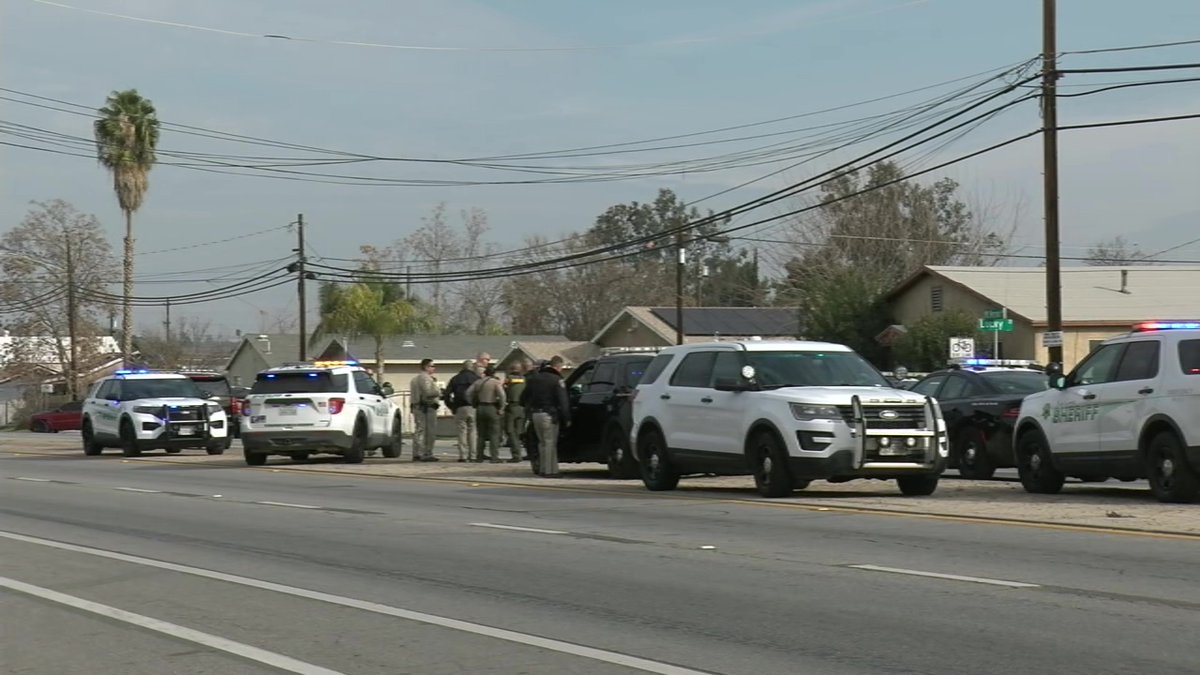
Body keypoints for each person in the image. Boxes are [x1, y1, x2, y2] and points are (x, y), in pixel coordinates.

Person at [520, 355, 569, 477]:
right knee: (550, 443)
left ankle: (543, 469)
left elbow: (523, 398)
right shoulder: (556, 380)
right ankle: (550, 471)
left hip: (535, 414)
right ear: (558, 366)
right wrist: (567, 418)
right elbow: (563, 401)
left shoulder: (534, 379)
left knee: (541, 443)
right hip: (549, 415)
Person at [467, 365, 507, 463]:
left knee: (481, 434)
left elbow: (468, 393)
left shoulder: (478, 382)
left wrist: (472, 403)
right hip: (491, 407)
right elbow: (502, 396)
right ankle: (494, 457)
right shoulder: (495, 382)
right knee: (494, 433)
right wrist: (502, 408)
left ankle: (479, 456)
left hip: (480, 408)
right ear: (494, 373)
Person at [444, 360, 479, 462]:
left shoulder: (455, 379)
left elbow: (447, 394)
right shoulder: (476, 379)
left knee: (461, 432)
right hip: (473, 407)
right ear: (472, 367)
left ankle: (462, 455)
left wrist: (451, 406)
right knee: (473, 431)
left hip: (459, 407)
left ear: (462, 367)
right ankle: (473, 455)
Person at [408, 358, 440, 462]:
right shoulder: (425, 378)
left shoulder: (414, 379)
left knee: (419, 430)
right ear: (426, 367)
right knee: (429, 432)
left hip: (417, 406)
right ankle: (426, 453)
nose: (434, 368)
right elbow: (427, 392)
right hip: (427, 408)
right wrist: (438, 391)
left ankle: (417, 452)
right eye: (432, 366)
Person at [502, 360, 529, 463]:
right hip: (522, 408)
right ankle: (519, 452)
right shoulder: (524, 380)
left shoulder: (508, 380)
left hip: (512, 407)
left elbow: (503, 392)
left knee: (510, 431)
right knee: (518, 432)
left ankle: (516, 454)